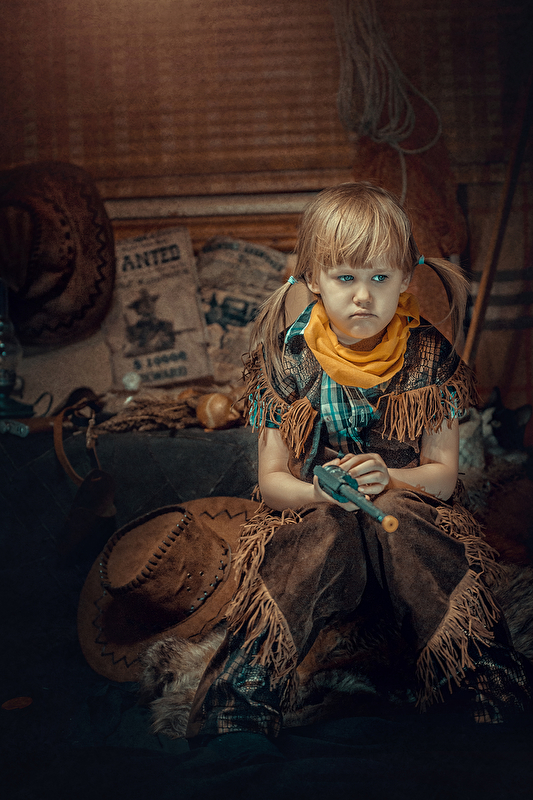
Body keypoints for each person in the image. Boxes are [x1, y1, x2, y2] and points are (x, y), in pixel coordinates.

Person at [185, 183, 532, 745]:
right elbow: (272, 483)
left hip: (408, 517)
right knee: (321, 531)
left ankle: (482, 678)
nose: (364, 296)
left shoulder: (429, 356)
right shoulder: (287, 360)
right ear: (313, 279)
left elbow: (443, 476)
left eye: (381, 278)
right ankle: (241, 693)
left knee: (402, 516)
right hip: (318, 520)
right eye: (345, 278)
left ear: (406, 277)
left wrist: (391, 477)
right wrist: (318, 493)